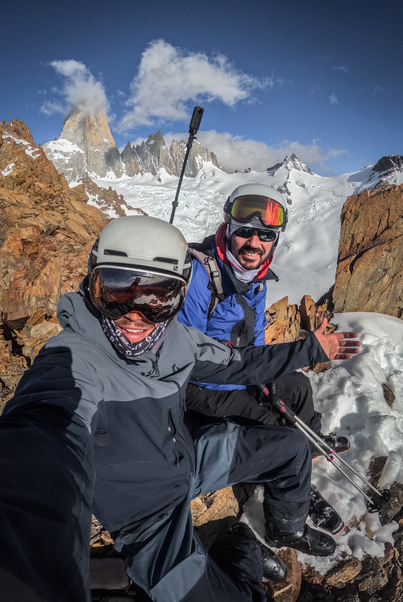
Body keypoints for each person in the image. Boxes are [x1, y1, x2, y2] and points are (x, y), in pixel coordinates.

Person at [0, 215, 361, 602]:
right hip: (148, 522)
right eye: (117, 292)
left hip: (185, 460)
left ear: (179, 298)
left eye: (159, 297)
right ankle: (242, 552)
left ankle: (284, 529)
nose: (135, 315)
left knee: (290, 446)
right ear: (92, 285)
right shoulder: (71, 361)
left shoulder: (177, 340)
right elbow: (42, 433)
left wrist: (310, 350)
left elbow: (240, 363)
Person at [177, 183, 350, 533]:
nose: (254, 244)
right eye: (245, 233)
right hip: (199, 385)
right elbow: (188, 359)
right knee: (269, 424)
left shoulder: (255, 279)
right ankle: (291, 494)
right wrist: (246, 386)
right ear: (228, 228)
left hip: (238, 371)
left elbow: (255, 342)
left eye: (266, 235)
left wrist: (262, 379)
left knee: (297, 386)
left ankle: (309, 447)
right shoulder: (198, 275)